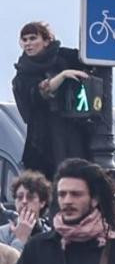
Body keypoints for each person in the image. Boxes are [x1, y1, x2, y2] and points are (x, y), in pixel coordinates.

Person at [11, 22, 94, 179]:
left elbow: (95, 59)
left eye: (32, 38)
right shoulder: (23, 72)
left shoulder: (64, 56)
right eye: (24, 40)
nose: (27, 43)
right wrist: (63, 76)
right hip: (43, 138)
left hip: (73, 130)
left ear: (46, 40)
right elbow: (37, 93)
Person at [0, 170, 52, 251]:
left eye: (30, 197)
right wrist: (20, 240)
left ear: (42, 202)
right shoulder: (2, 234)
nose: (24, 201)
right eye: (20, 197)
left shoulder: (50, 236)